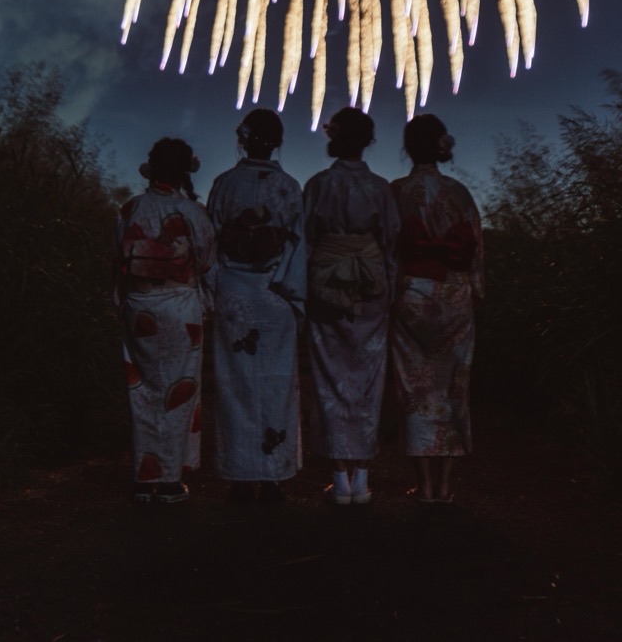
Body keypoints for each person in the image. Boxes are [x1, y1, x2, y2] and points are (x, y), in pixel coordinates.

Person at [207, 108, 306, 505]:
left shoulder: (224, 184)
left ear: (243, 139)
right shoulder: (290, 187)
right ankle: (273, 477)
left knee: (235, 384)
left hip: (233, 291)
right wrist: (292, 294)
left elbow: (211, 239)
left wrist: (215, 287)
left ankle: (240, 476)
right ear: (278, 141)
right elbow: (298, 244)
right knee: (277, 383)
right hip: (275, 290)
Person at [303, 106, 400, 505]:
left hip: (326, 281)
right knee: (367, 378)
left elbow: (305, 238)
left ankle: (339, 477)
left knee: (329, 377)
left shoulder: (318, 185)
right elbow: (391, 243)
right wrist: (388, 287)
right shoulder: (380, 188)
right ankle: (361, 474)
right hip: (370, 285)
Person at [390, 114, 484, 504]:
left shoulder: (395, 192)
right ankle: (445, 487)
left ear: (408, 147)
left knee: (414, 387)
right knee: (453, 387)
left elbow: (389, 249)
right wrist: (476, 289)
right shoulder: (460, 193)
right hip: (454, 294)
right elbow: (475, 248)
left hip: (412, 293)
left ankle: (424, 485)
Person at [115, 137, 215, 503]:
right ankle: (171, 479)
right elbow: (206, 262)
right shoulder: (193, 213)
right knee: (180, 391)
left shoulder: (130, 209)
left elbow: (118, 263)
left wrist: (122, 302)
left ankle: (145, 479)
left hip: (140, 304)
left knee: (142, 392)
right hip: (180, 307)